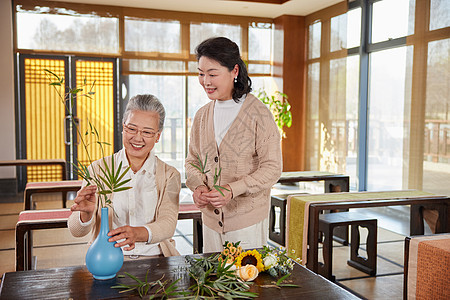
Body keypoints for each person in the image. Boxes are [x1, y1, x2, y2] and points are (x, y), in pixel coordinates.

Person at [185, 37, 282, 252]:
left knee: (245, 282)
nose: (205, 81)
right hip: (210, 221)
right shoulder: (202, 116)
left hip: (246, 222)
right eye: (201, 74)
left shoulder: (259, 114)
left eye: (212, 74)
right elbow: (193, 161)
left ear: (234, 71)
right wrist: (198, 186)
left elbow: (272, 168)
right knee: (212, 282)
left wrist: (232, 190)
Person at [68, 94, 181, 258]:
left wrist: (137, 233)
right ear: (123, 127)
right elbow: (75, 231)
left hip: (157, 260)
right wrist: (85, 215)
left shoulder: (169, 175)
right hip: (108, 259)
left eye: (147, 132)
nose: (137, 138)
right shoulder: (99, 169)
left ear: (158, 136)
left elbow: (168, 225)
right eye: (132, 129)